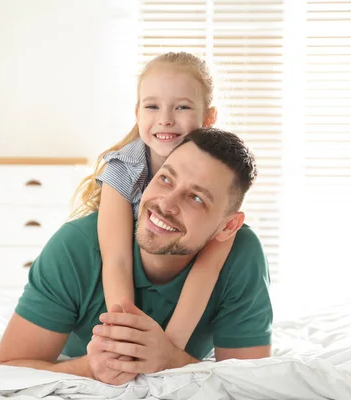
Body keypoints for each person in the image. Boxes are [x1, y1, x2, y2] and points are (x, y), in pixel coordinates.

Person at [0, 128, 273, 385]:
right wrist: (89, 368)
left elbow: (250, 385)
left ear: (227, 227)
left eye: (196, 198)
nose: (166, 204)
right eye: (165, 179)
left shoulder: (241, 256)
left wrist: (170, 360)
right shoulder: (76, 247)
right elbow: (8, 368)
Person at [71, 51, 234, 351]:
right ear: (137, 113)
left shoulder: (221, 177)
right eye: (152, 106)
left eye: (182, 106)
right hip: (114, 294)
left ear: (209, 118)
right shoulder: (121, 170)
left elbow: (206, 269)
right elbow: (117, 261)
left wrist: (170, 350)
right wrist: (125, 336)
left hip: (179, 299)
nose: (165, 119)